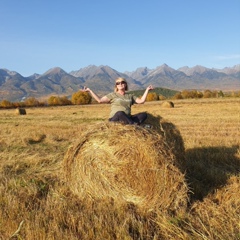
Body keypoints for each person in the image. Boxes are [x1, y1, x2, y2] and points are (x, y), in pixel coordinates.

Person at [82, 77, 154, 125]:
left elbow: (141, 101)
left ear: (125, 84)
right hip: (115, 119)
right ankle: (134, 126)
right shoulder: (112, 95)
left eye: (122, 82)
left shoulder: (130, 96)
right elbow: (99, 100)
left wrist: (147, 90)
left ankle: (131, 124)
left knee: (144, 115)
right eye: (118, 83)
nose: (120, 84)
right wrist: (90, 91)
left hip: (127, 118)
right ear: (116, 86)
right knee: (120, 113)